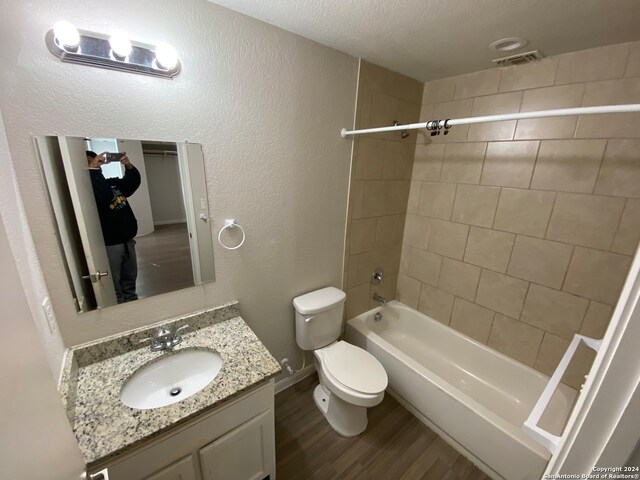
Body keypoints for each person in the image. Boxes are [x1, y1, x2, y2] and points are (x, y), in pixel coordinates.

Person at [86, 150, 141, 303]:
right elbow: (103, 196)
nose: (97, 163)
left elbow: (131, 184)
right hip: (110, 244)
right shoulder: (88, 191)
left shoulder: (111, 183)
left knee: (130, 280)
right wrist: (93, 171)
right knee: (114, 286)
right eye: (91, 162)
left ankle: (132, 303)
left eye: (97, 161)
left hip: (128, 240)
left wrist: (128, 165)